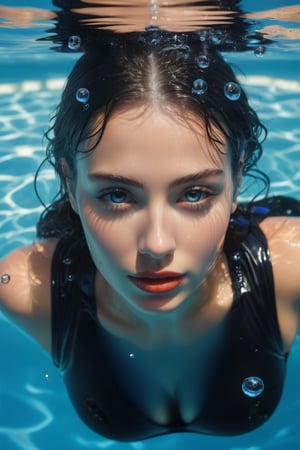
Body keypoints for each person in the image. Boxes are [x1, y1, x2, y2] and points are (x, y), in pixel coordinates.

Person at [1, 28, 300, 442]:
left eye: (195, 193)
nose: (157, 245)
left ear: (237, 180)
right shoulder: (28, 291)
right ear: (70, 185)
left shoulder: (289, 266)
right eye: (117, 195)